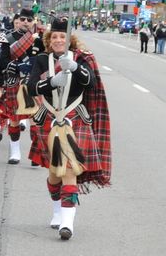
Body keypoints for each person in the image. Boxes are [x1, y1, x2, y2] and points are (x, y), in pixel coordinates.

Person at [27, 18, 112, 240]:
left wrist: (74, 68)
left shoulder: (80, 59)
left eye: (62, 37)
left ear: (69, 39)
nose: (58, 40)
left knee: (68, 170)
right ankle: (57, 210)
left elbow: (91, 83)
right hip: (49, 118)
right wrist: (52, 82)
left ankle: (67, 223)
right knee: (55, 173)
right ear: (49, 39)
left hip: (75, 118)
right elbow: (31, 86)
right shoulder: (41, 59)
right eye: (54, 36)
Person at [0, 8, 41, 165]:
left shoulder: (38, 39)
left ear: (33, 22)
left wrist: (31, 66)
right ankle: (15, 151)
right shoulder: (7, 38)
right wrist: (14, 66)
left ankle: (36, 152)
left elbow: (43, 60)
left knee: (36, 119)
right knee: (14, 120)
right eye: (23, 19)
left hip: (32, 82)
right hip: (14, 82)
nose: (26, 22)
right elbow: (2, 60)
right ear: (18, 20)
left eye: (29, 20)